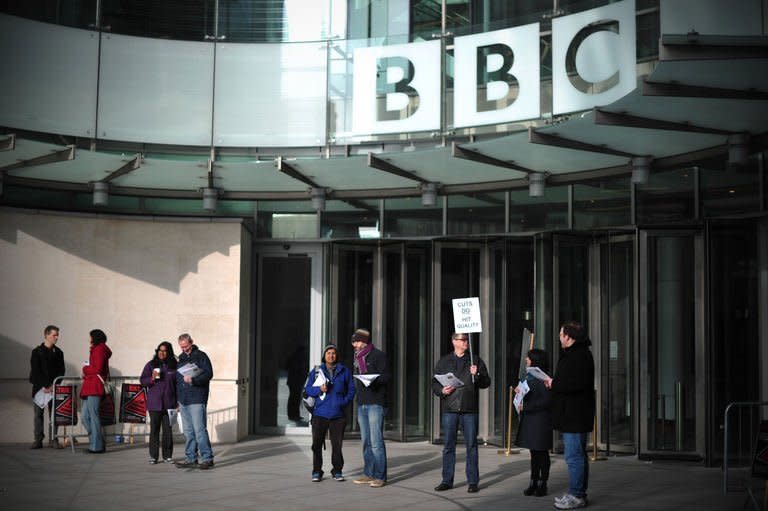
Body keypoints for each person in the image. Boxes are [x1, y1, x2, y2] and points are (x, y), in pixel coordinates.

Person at [544, 321, 595, 510]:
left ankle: (577, 495)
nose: (559, 337)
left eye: (560, 334)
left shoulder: (579, 356)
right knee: (578, 455)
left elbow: (575, 384)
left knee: (574, 456)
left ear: (568, 336)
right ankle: (577, 492)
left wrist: (553, 384)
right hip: (574, 413)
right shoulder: (576, 354)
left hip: (575, 414)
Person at [431, 332, 491, 494]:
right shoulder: (444, 361)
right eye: (462, 340)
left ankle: (473, 481)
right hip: (450, 408)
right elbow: (434, 383)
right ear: (454, 342)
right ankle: (446, 480)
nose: (466, 342)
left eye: (466, 340)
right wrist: (442, 390)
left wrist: (476, 375)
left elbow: (486, 382)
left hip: (469, 408)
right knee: (448, 446)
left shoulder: (475, 360)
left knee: (471, 446)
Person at [304, 344, 355, 482]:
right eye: (328, 353)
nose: (331, 355)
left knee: (337, 446)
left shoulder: (344, 371)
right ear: (324, 355)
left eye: (333, 353)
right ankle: (317, 471)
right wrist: (319, 390)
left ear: (336, 355)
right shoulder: (316, 371)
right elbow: (308, 389)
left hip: (338, 415)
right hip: (319, 413)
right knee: (316, 445)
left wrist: (342, 402)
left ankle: (337, 471)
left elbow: (351, 390)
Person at [350, 328, 390, 488]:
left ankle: (380, 476)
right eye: (353, 342)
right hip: (362, 403)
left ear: (365, 341)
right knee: (366, 441)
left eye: (358, 341)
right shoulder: (356, 358)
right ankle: (368, 473)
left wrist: (372, 379)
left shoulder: (378, 355)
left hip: (375, 403)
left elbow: (386, 377)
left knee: (376, 441)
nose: (355, 345)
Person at [515, 348, 553, 497]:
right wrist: (519, 392)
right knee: (534, 453)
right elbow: (526, 392)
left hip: (541, 420)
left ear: (535, 360)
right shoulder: (528, 376)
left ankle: (543, 483)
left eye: (529, 358)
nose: (526, 359)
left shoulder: (544, 378)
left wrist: (527, 406)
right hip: (530, 419)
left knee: (542, 453)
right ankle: (533, 481)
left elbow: (547, 401)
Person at [175, 333, 214, 470]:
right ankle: (191, 458)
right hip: (183, 399)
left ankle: (207, 458)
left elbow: (209, 374)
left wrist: (194, 380)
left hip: (197, 397)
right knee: (188, 431)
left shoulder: (201, 356)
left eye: (186, 346)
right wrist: (177, 401)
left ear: (191, 342)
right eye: (181, 347)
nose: (184, 349)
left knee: (199, 430)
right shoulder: (180, 359)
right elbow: (177, 381)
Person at [140, 341, 178, 464]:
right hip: (154, 403)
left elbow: (178, 385)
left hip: (170, 403)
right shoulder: (150, 365)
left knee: (168, 431)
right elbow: (142, 381)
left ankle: (167, 456)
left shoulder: (174, 366)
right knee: (154, 430)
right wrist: (151, 378)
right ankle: (153, 456)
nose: (161, 353)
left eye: (164, 351)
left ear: (169, 352)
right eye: (159, 350)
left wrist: (178, 402)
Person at [29, 325, 65, 449]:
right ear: (46, 335)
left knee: (53, 414)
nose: (57, 337)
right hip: (40, 389)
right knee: (38, 415)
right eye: (54, 335)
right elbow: (35, 371)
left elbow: (62, 371)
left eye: (57, 335)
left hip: (53, 388)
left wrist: (53, 386)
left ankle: (53, 439)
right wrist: (45, 385)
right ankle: (38, 440)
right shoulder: (37, 352)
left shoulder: (59, 352)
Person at [80, 328, 112, 454]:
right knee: (84, 417)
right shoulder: (97, 349)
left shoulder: (99, 349)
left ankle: (96, 445)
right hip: (91, 386)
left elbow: (97, 368)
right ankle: (96, 440)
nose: (89, 339)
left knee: (93, 417)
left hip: (94, 387)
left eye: (90, 336)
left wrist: (85, 368)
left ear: (95, 337)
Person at [286, 344, 308, 423]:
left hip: (294, 381)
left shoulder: (295, 357)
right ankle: (293, 415)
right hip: (295, 381)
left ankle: (294, 414)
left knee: (294, 398)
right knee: (294, 398)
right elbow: (299, 370)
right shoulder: (297, 358)